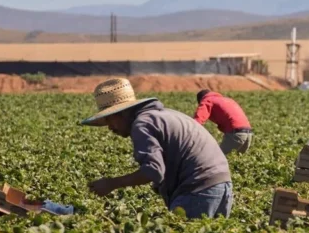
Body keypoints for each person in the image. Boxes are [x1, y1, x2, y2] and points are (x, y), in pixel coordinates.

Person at [82, 78, 233, 219]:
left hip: (198, 190)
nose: (109, 127)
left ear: (121, 114)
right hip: (222, 185)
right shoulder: (165, 115)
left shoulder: (142, 124)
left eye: (109, 119)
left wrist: (112, 183)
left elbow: (153, 171)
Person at [193, 89, 253, 155]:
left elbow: (198, 120)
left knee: (217, 159)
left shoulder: (207, 100)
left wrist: (190, 134)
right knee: (237, 159)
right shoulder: (227, 100)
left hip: (236, 133)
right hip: (248, 134)